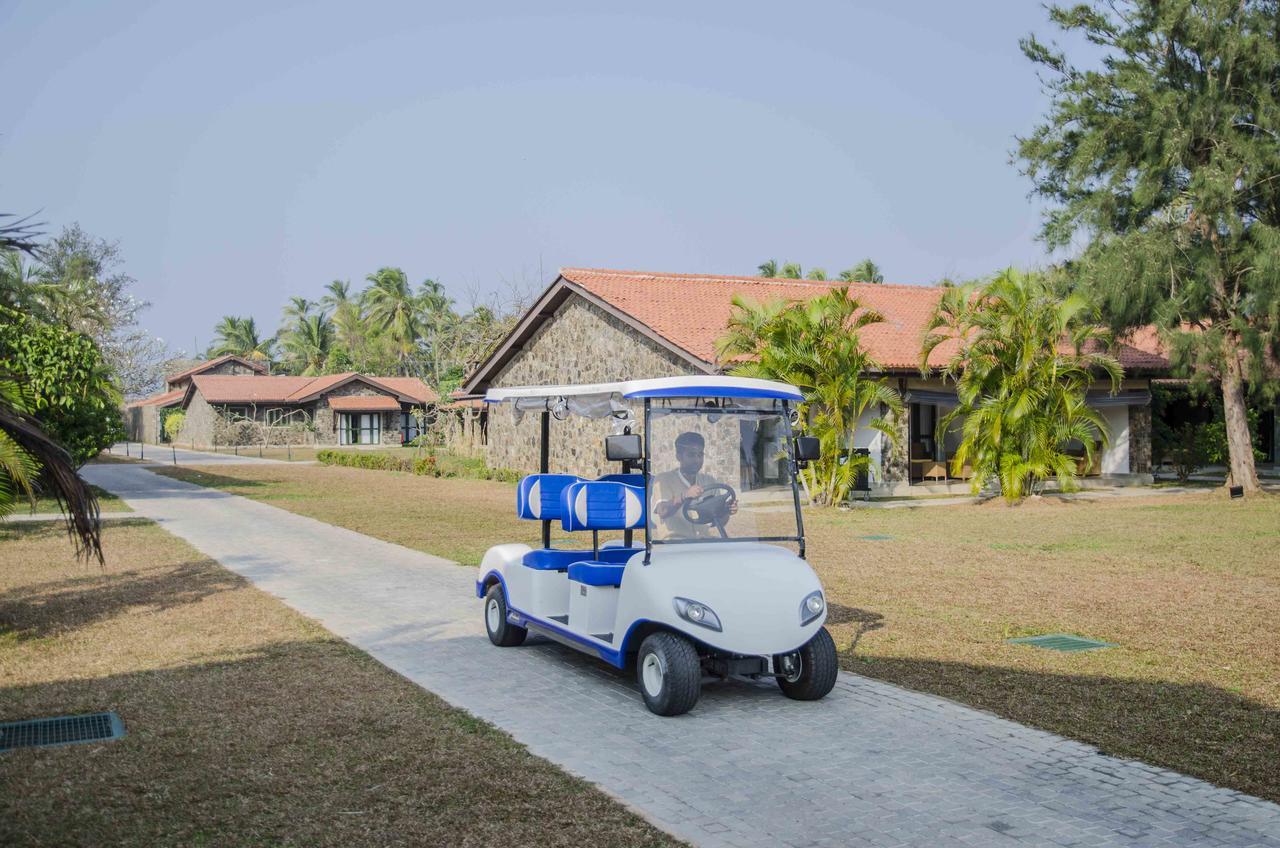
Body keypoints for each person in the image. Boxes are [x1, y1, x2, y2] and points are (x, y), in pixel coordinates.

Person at [652, 431, 738, 539]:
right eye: (691, 455)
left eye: (700, 455)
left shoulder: (709, 481)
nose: (697, 460)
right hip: (675, 544)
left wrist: (726, 511)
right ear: (679, 457)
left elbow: (718, 522)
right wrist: (684, 496)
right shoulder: (664, 479)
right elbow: (662, 511)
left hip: (703, 542)